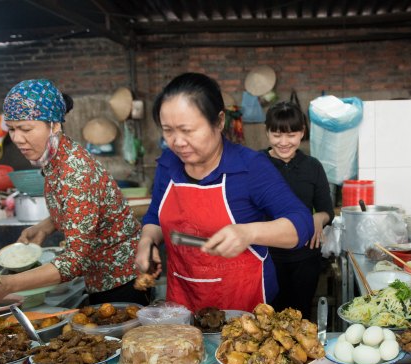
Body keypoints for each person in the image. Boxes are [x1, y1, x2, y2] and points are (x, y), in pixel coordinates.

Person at [136, 73, 314, 313]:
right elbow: (154, 217)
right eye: (168, 130)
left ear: (219, 121)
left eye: (188, 130)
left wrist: (248, 232)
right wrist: (147, 240)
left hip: (245, 311)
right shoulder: (168, 164)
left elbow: (302, 225)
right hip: (183, 302)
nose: (177, 142)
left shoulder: (250, 167)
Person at [0, 79, 147, 308]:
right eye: (11, 129)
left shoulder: (74, 172)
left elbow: (73, 262)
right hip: (102, 276)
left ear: (55, 126)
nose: (17, 138)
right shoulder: (56, 157)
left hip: (121, 281)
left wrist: (7, 284)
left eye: (26, 128)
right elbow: (82, 207)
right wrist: (46, 225)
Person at [262, 101, 334, 320]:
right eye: (276, 135)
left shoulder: (312, 166)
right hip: (266, 259)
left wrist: (317, 218)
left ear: (302, 133)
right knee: (266, 319)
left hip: (305, 259)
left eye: (291, 135)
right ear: (267, 133)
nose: (284, 142)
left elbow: (327, 210)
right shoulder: (256, 164)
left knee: (300, 317)